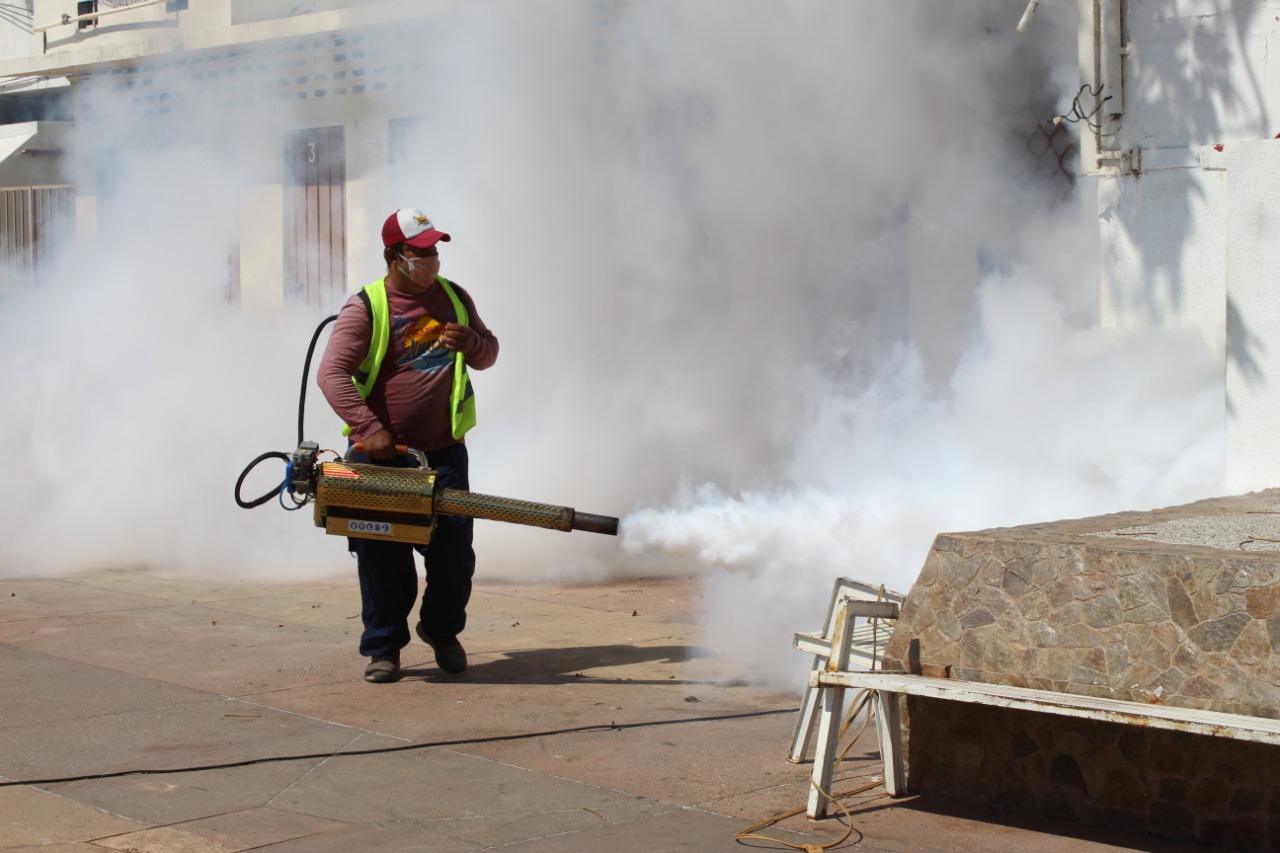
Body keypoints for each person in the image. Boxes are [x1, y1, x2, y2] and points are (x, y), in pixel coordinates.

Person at [318, 208, 499, 683]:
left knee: (454, 553)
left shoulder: (455, 298)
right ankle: (383, 649)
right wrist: (368, 426)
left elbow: (491, 352)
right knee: (382, 558)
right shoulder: (367, 307)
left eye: (434, 252)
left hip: (443, 454)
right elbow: (331, 374)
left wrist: (474, 343)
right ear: (393, 257)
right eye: (419, 253)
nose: (430, 261)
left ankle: (441, 632)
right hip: (382, 457)